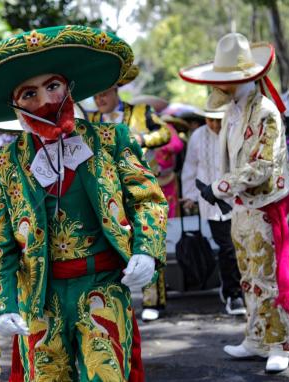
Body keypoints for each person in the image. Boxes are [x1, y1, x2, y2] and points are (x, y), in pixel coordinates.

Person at [0, 25, 168, 381]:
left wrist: (146, 248)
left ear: (69, 87)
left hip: (102, 283)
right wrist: (3, 305)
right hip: (38, 295)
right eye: (29, 93)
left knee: (107, 374)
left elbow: (148, 198)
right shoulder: (2, 167)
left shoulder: (111, 140)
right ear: (14, 106)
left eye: (52, 86)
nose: (45, 101)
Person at [180, 32, 289, 373]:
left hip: (265, 203)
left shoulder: (265, 111)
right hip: (241, 204)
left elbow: (262, 166)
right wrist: (224, 191)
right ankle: (256, 337)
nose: (218, 86)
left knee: (267, 274)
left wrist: (219, 186)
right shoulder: (234, 111)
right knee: (248, 275)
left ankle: (281, 342)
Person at [90, 64, 173, 322]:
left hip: (138, 186)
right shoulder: (90, 120)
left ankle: (153, 300)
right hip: (108, 192)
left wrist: (143, 139)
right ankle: (112, 301)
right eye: (95, 96)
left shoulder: (140, 111)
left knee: (147, 240)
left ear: (116, 90)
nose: (99, 100)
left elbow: (166, 132)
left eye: (103, 94)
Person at [181, 105, 246, 315]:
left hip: (239, 200)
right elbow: (190, 167)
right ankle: (233, 294)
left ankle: (238, 288)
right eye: (211, 120)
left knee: (240, 245)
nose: (216, 125)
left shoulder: (236, 130)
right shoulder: (197, 136)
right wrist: (190, 195)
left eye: (219, 120)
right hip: (211, 202)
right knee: (228, 247)